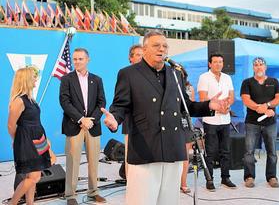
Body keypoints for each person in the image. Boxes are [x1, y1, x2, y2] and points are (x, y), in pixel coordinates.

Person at [101, 31, 229, 205]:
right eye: (156, 45)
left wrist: (209, 106)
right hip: (145, 150)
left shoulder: (175, 74)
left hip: (172, 149)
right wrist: (114, 119)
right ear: (144, 49)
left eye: (165, 46)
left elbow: (187, 106)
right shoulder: (129, 74)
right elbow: (120, 105)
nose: (161, 49)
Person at [59, 48, 106, 205]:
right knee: (73, 161)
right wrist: (81, 119)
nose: (77, 61)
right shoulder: (66, 79)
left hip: (92, 126)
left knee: (94, 161)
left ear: (88, 60)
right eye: (75, 59)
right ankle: (70, 195)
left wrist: (91, 120)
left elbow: (102, 102)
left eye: (80, 59)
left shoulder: (97, 80)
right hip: (74, 126)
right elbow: (64, 102)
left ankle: (93, 192)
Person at [7, 67, 53, 205]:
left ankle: (30, 203)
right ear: (26, 80)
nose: (36, 80)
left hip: (37, 140)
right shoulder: (19, 101)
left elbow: (36, 125)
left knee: (32, 176)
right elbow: (10, 126)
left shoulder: (31, 99)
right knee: (34, 177)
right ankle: (12, 203)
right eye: (33, 77)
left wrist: (47, 145)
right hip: (26, 143)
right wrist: (18, 141)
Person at [240, 57, 279, 188]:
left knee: (272, 152)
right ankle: (249, 177)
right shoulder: (247, 82)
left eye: (261, 65)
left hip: (270, 122)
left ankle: (272, 177)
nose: (259, 67)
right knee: (249, 152)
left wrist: (267, 105)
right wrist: (260, 108)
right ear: (253, 68)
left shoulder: (274, 81)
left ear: (265, 67)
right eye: (256, 65)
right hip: (252, 122)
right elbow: (246, 100)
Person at [197, 53, 236, 191]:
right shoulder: (204, 77)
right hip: (211, 120)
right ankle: (209, 179)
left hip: (225, 119)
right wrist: (217, 106)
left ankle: (225, 178)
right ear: (210, 64)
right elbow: (202, 99)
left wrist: (227, 107)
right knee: (210, 151)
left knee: (226, 151)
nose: (218, 64)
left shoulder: (227, 78)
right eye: (215, 62)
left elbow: (232, 96)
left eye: (220, 61)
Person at [122, 44, 143, 179]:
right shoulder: (126, 74)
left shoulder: (151, 74)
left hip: (148, 122)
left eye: (143, 55)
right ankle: (130, 182)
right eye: (138, 55)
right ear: (131, 58)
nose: (141, 58)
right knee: (130, 154)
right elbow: (122, 100)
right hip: (131, 121)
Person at [177, 65, 195, 194]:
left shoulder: (189, 88)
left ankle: (183, 182)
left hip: (185, 122)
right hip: (171, 122)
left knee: (185, 155)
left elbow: (191, 106)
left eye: (180, 74)